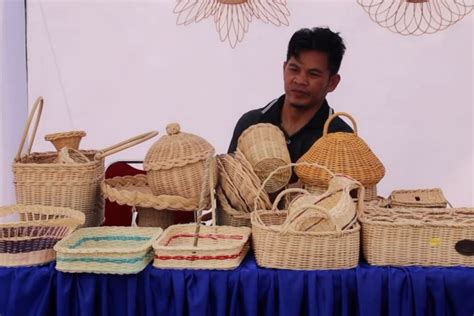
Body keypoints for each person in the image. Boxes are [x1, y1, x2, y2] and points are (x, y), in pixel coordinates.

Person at [228, 27, 353, 163]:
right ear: (284, 69)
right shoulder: (251, 123)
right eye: (294, 69)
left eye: (313, 74)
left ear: (332, 82)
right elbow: (228, 181)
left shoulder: (342, 139)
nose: (300, 80)